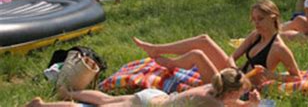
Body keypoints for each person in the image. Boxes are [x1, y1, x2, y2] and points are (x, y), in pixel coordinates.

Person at [134, 0, 301, 86]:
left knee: (197, 55)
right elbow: (232, 56)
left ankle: (172, 64)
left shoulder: (279, 48)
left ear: (273, 18)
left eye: (260, 19)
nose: (256, 23)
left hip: (242, 87)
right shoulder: (256, 35)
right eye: (254, 19)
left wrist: (271, 75)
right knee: (204, 39)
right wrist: (233, 68)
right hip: (234, 76)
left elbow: (296, 78)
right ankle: (155, 49)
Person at [25, 68, 261, 107]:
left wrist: (248, 103)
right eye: (241, 92)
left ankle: (69, 93)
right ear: (229, 92)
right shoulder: (214, 102)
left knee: (106, 100)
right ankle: (43, 105)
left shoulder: (213, 86)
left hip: (155, 97)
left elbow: (231, 102)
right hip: (148, 104)